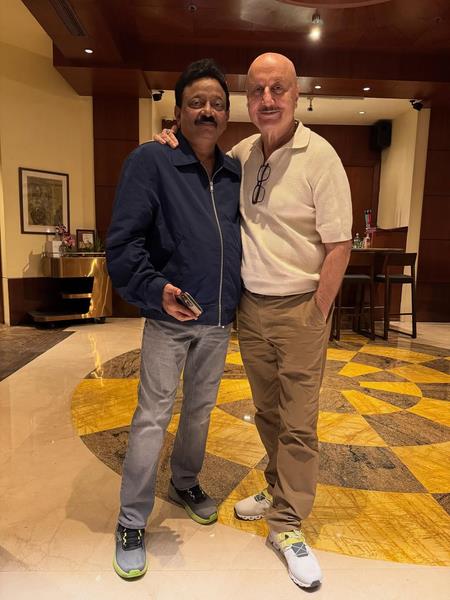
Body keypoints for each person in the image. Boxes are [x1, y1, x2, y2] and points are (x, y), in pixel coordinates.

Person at [157, 52, 352, 589]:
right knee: (267, 412)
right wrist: (170, 140)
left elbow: (339, 244)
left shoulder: (321, 157)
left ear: (296, 95)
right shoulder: (241, 154)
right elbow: (198, 165)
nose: (268, 99)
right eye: (258, 90)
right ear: (248, 99)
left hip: (300, 308)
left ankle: (287, 523)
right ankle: (277, 485)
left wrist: (318, 311)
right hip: (251, 307)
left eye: (278, 89)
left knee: (298, 420)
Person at [106, 58, 242, 579]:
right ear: (179, 112)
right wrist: (154, 290)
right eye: (196, 102)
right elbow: (124, 244)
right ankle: (131, 519)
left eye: (216, 104)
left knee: (201, 411)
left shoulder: (233, 172)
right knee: (152, 417)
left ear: (226, 114)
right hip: (169, 319)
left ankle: (185, 482)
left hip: (217, 319)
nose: (207, 111)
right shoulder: (150, 161)